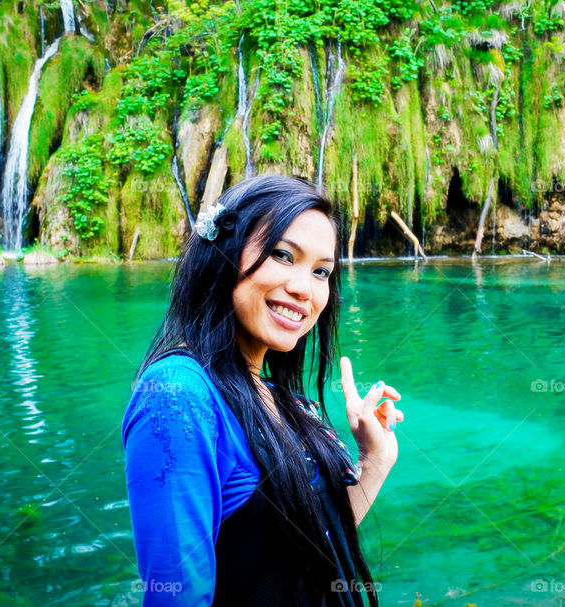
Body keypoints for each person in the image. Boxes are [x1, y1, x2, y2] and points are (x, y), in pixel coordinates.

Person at [122, 175, 404, 606]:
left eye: (321, 272)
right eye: (282, 255)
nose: (303, 288)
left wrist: (375, 460)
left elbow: (312, 552)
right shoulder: (178, 397)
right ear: (222, 254)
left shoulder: (280, 397)